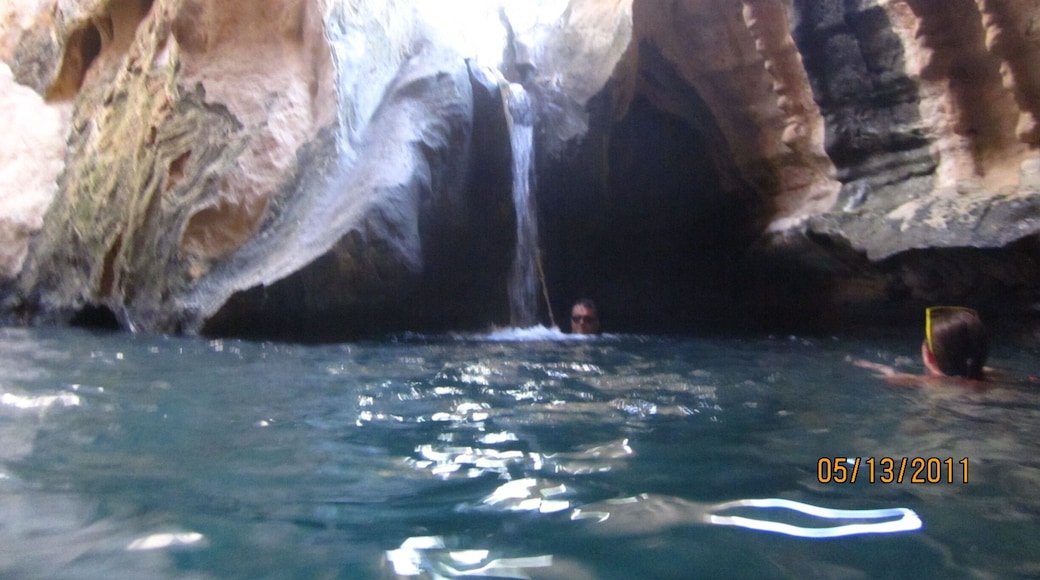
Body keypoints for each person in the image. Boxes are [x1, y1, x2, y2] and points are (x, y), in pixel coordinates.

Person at [854, 306, 991, 385]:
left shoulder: (924, 382)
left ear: (928, 356)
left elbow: (889, 378)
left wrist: (878, 367)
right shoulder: (992, 379)